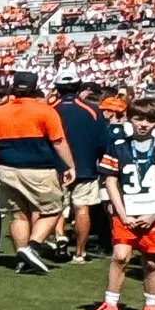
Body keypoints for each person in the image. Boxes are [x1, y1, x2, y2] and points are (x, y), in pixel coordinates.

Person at [84, 95, 155, 310]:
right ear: (129, 118)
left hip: (154, 213)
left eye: (149, 119)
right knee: (120, 256)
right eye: (138, 118)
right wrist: (121, 213)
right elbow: (111, 181)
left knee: (153, 262)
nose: (143, 124)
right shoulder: (119, 145)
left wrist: (154, 213)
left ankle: (151, 309)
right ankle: (110, 306)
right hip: (127, 211)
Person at [0, 72, 73, 275]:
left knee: (18, 215)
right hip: (39, 169)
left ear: (13, 88)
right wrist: (70, 165)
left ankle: (22, 260)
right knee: (52, 210)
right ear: (35, 89)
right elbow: (58, 141)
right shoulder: (46, 111)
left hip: (6, 169)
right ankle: (33, 247)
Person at [56, 81, 113, 265]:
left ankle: (60, 239)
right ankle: (80, 252)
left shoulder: (51, 108)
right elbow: (103, 141)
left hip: (58, 167)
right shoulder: (92, 110)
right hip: (85, 166)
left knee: (57, 208)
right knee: (82, 208)